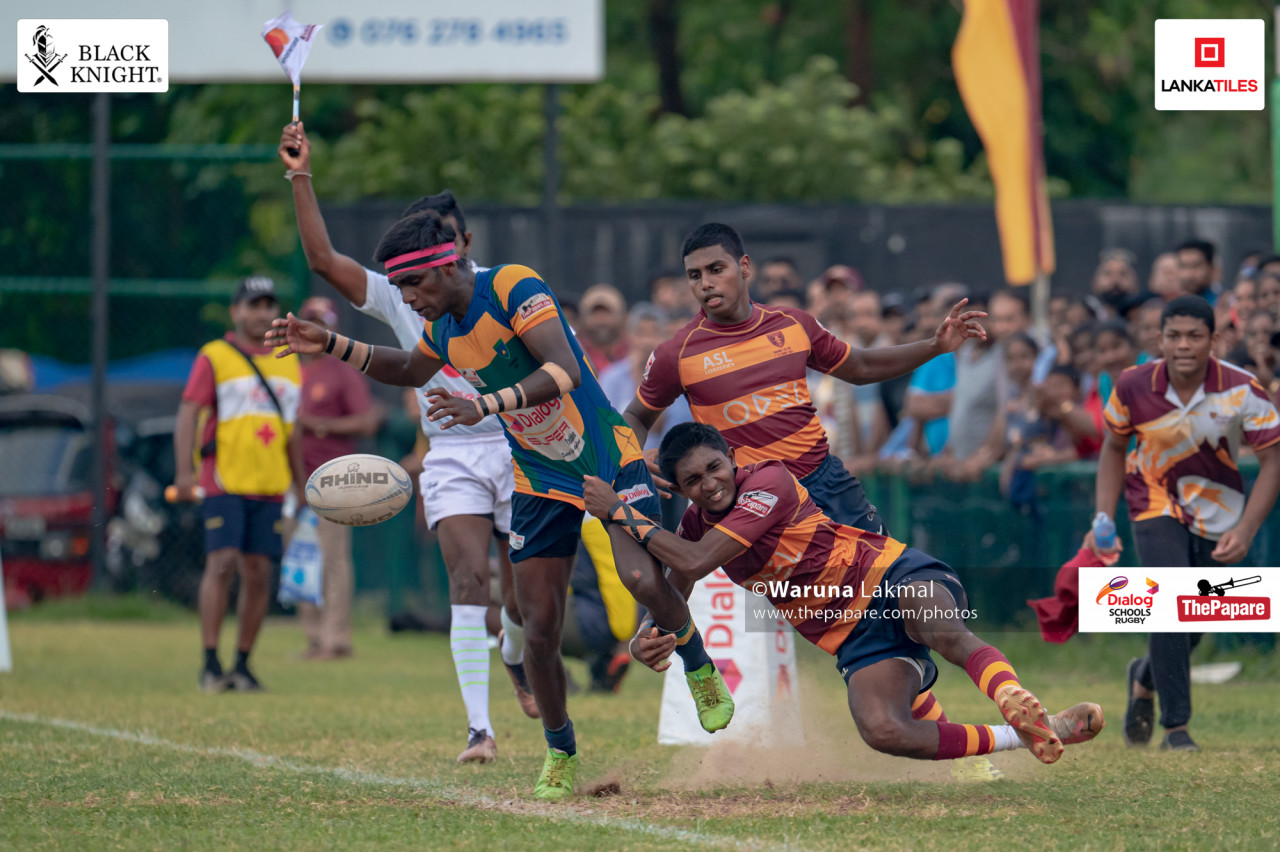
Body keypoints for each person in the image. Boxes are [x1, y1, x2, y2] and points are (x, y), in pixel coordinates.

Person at [267, 210, 734, 800]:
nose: (408, 298)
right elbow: (409, 368)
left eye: (414, 284)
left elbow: (562, 369)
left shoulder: (513, 285)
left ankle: (697, 664)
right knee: (538, 625)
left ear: (447, 264)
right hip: (538, 474)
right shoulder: (442, 329)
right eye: (400, 287)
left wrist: (487, 406)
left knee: (641, 577)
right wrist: (331, 343)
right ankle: (561, 750)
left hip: (604, 454)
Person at [583, 422, 1104, 768]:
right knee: (882, 729)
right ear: (679, 488)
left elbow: (693, 562)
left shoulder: (769, 480)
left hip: (888, 577)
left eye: (714, 469)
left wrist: (619, 512)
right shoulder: (693, 526)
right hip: (853, 636)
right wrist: (648, 637)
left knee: (943, 629)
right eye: (692, 480)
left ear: (732, 459)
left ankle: (1010, 693)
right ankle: (1034, 731)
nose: (710, 484)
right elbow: (675, 589)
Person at [279, 123, 533, 765]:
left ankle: (516, 656)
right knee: (467, 579)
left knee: (526, 598)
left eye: (445, 239)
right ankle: (480, 730)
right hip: (451, 454)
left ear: (462, 245)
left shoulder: (509, 288)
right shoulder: (401, 292)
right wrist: (300, 176)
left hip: (518, 444)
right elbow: (323, 263)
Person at [625, 223, 986, 535]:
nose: (706, 283)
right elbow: (636, 417)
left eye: (716, 269)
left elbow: (859, 368)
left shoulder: (793, 323)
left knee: (890, 594)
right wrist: (632, 463)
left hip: (825, 483)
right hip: (751, 504)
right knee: (808, 610)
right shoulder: (678, 353)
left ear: (745, 266)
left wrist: (935, 346)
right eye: (695, 275)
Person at [1087, 295, 1280, 752]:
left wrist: (1247, 528)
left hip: (1221, 513)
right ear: (1160, 340)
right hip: (1152, 503)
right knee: (1171, 598)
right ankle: (1177, 729)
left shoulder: (1244, 388)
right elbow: (1114, 449)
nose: (1184, 345)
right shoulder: (1133, 384)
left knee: (1198, 617)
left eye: (1195, 336)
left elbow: (1273, 461)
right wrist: (1101, 515)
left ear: (1213, 340)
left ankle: (1144, 678)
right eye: (1174, 336)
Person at [174, 276, 305, 693]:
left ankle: (243, 664)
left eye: (269, 304)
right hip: (223, 480)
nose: (262, 313)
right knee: (223, 562)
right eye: (253, 305)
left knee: (260, 573)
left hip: (271, 484)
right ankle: (210, 662)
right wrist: (184, 472)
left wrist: (301, 483)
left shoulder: (289, 360)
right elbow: (188, 414)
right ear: (235, 311)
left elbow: (294, 430)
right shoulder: (215, 356)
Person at [294, 297, 381, 660]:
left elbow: (368, 421)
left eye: (322, 322)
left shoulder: (341, 372)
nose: (315, 328)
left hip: (332, 479)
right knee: (301, 559)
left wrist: (322, 426)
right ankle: (314, 638)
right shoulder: (289, 369)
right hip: (291, 480)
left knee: (333, 559)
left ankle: (337, 639)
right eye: (310, 321)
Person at [1175, 239, 1221, 305]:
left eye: (1196, 266)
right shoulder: (1170, 307)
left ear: (1211, 268)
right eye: (1184, 266)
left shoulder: (1222, 305)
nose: (1189, 274)